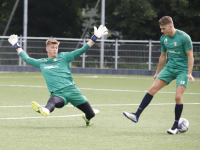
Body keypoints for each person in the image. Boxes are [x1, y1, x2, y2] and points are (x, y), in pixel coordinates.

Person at [8, 25, 108, 126]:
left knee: (91, 114)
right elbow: (27, 58)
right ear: (47, 49)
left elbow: (82, 50)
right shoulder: (42, 62)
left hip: (72, 91)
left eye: (56, 47)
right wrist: (16, 45)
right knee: (53, 100)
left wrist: (94, 37)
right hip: (58, 93)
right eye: (52, 47)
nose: (55, 49)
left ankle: (86, 118)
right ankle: (46, 110)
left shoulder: (64, 57)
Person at [123, 16, 194, 134]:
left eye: (163, 28)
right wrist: (157, 73)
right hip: (169, 68)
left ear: (170, 26)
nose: (161, 31)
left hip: (183, 70)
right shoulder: (163, 39)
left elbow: (190, 56)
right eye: (161, 28)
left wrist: (190, 73)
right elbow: (163, 57)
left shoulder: (184, 37)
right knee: (152, 89)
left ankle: (176, 126)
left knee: (178, 97)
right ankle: (136, 115)